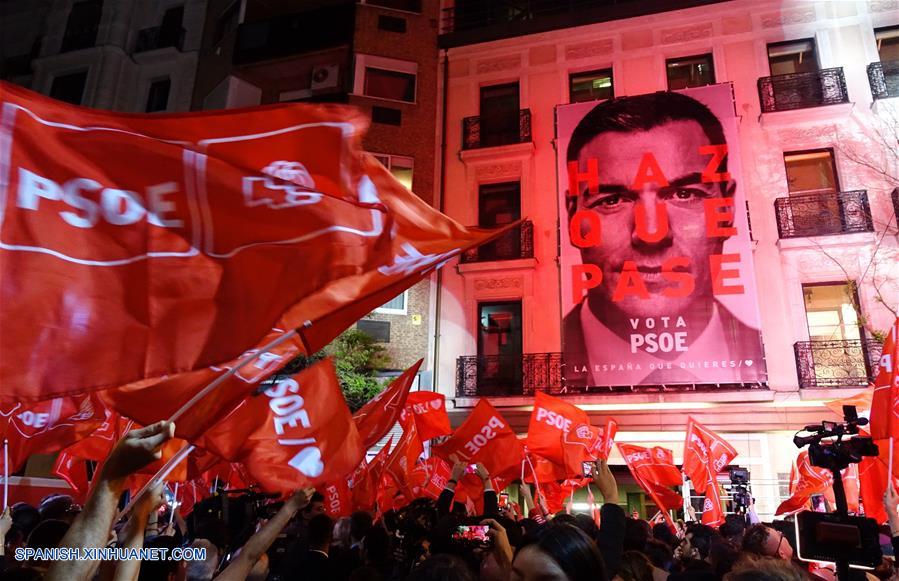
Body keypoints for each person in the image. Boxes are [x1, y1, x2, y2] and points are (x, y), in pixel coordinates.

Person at [562, 91, 764, 388]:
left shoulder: (764, 354)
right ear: (573, 217)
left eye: (685, 194)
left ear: (727, 206)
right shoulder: (550, 360)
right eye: (612, 199)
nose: (651, 233)